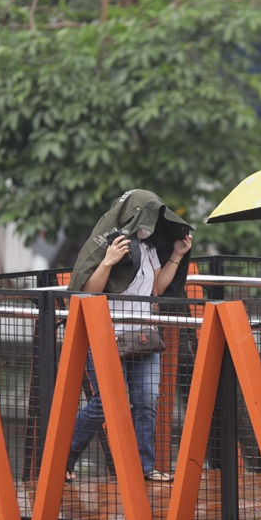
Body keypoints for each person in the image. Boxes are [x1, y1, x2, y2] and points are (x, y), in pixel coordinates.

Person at [65, 189, 193, 483]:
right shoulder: (110, 243)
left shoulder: (148, 248)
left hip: (143, 336)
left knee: (147, 402)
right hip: (107, 335)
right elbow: (88, 291)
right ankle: (64, 458)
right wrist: (108, 261)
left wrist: (176, 254)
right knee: (106, 402)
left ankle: (144, 467)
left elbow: (157, 289)